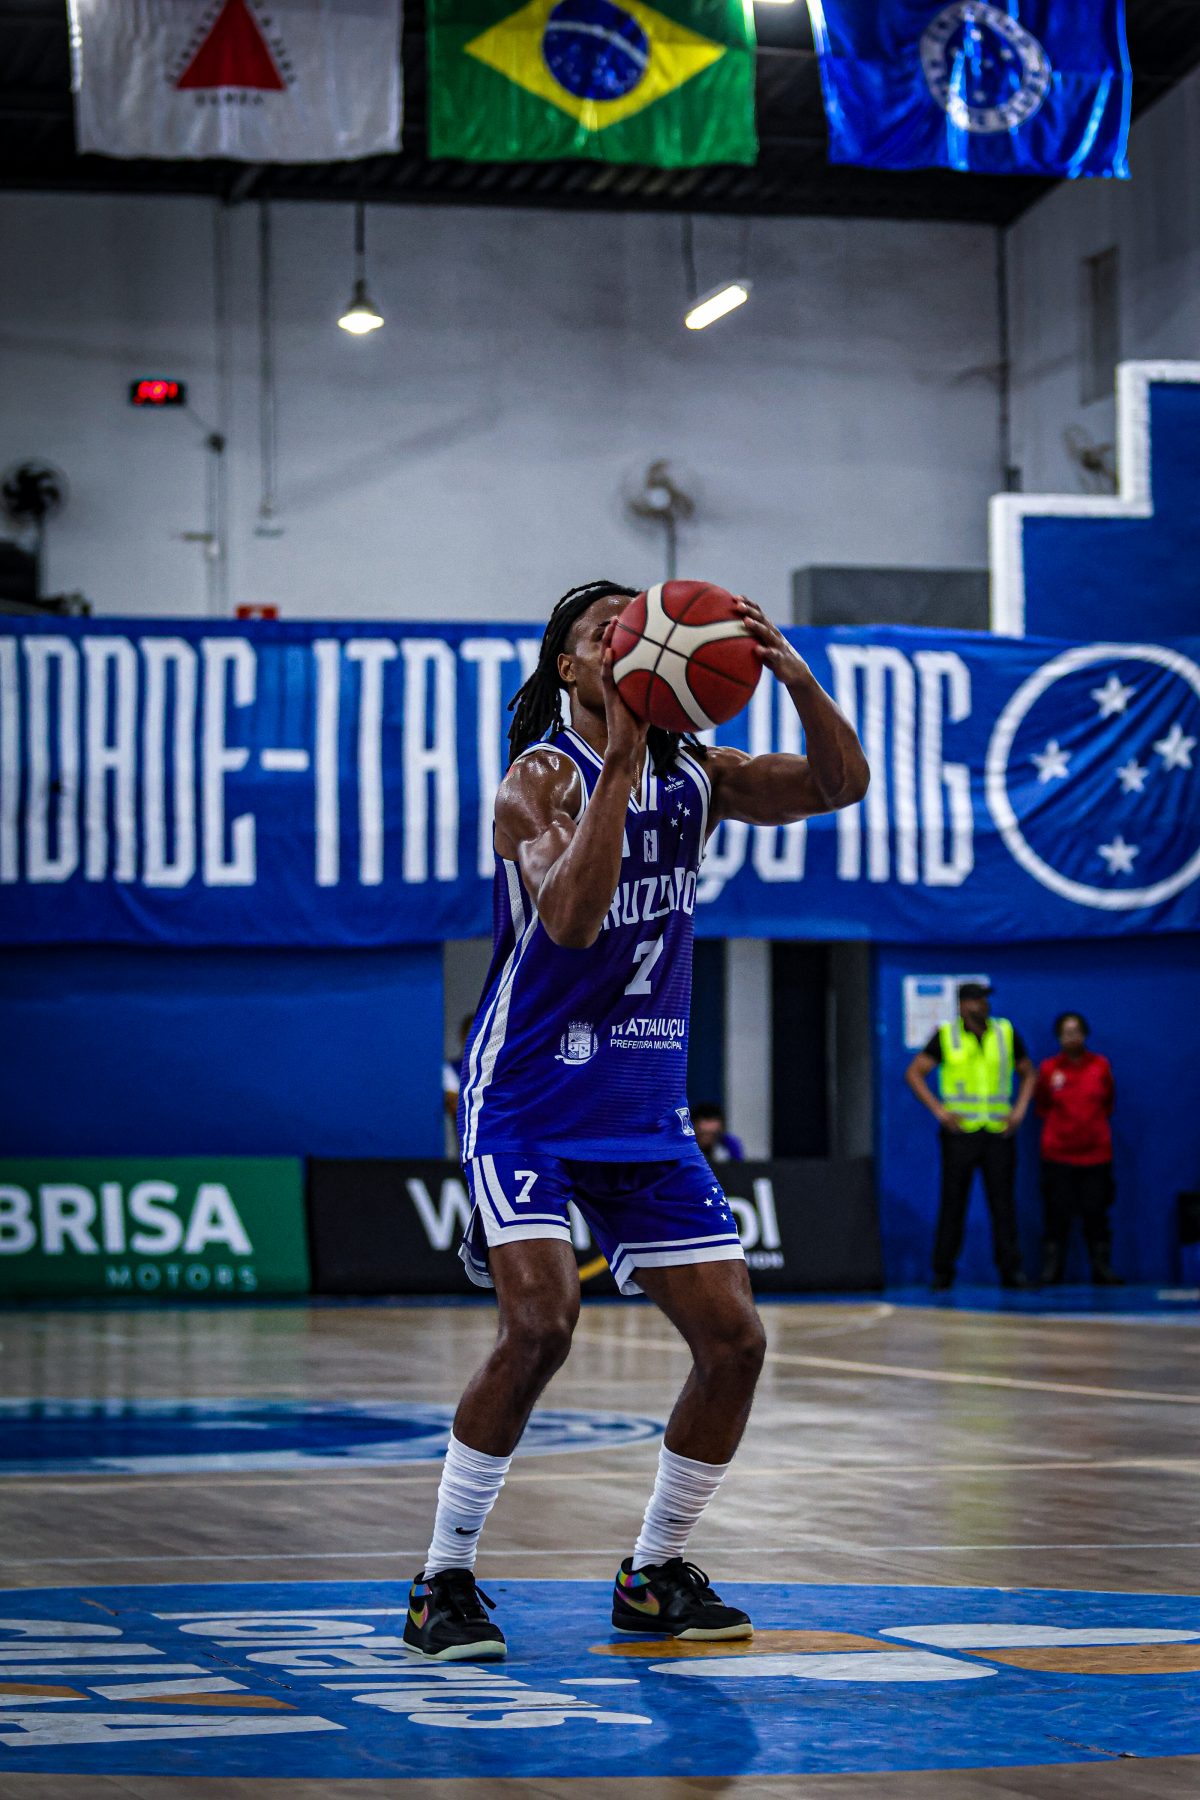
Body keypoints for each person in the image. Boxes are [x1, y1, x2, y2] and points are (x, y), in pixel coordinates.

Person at [403, 579, 869, 1661]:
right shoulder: (540, 778)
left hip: (644, 1109)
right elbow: (571, 920)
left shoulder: (699, 774)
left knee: (735, 1342)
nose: (624, 641)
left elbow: (836, 785)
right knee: (541, 1327)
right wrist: (620, 756)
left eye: (635, 625)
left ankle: (654, 1572)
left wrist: (797, 680)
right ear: (572, 667)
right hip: (527, 1098)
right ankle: (441, 1581)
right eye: (601, 633)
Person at [905, 981, 1036, 1292]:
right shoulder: (947, 1036)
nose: (982, 1005)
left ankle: (1011, 1270)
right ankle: (943, 1271)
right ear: (962, 1005)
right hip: (960, 1134)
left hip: (997, 1132)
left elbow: (1028, 1072)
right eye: (976, 1000)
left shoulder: (1005, 1033)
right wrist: (939, 1111)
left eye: (985, 1000)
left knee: (1003, 1204)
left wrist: (1019, 1111)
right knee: (953, 1203)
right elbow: (915, 1073)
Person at [1036, 1011, 1121, 1285]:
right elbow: (1042, 1105)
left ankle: (1101, 1268)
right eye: (1066, 1032)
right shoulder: (1049, 1069)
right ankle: (1052, 1270)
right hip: (1058, 1154)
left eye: (1076, 1031)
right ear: (1059, 1037)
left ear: (1084, 1034)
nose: (1071, 1037)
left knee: (1096, 1213)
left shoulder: (1100, 1066)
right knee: (1056, 1214)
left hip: (1096, 1155)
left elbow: (1108, 1103)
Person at [442, 1014, 473, 1157]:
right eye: (472, 1034)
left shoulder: (499, 1071)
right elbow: (455, 1106)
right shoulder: (449, 1069)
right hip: (461, 1152)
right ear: (463, 1036)